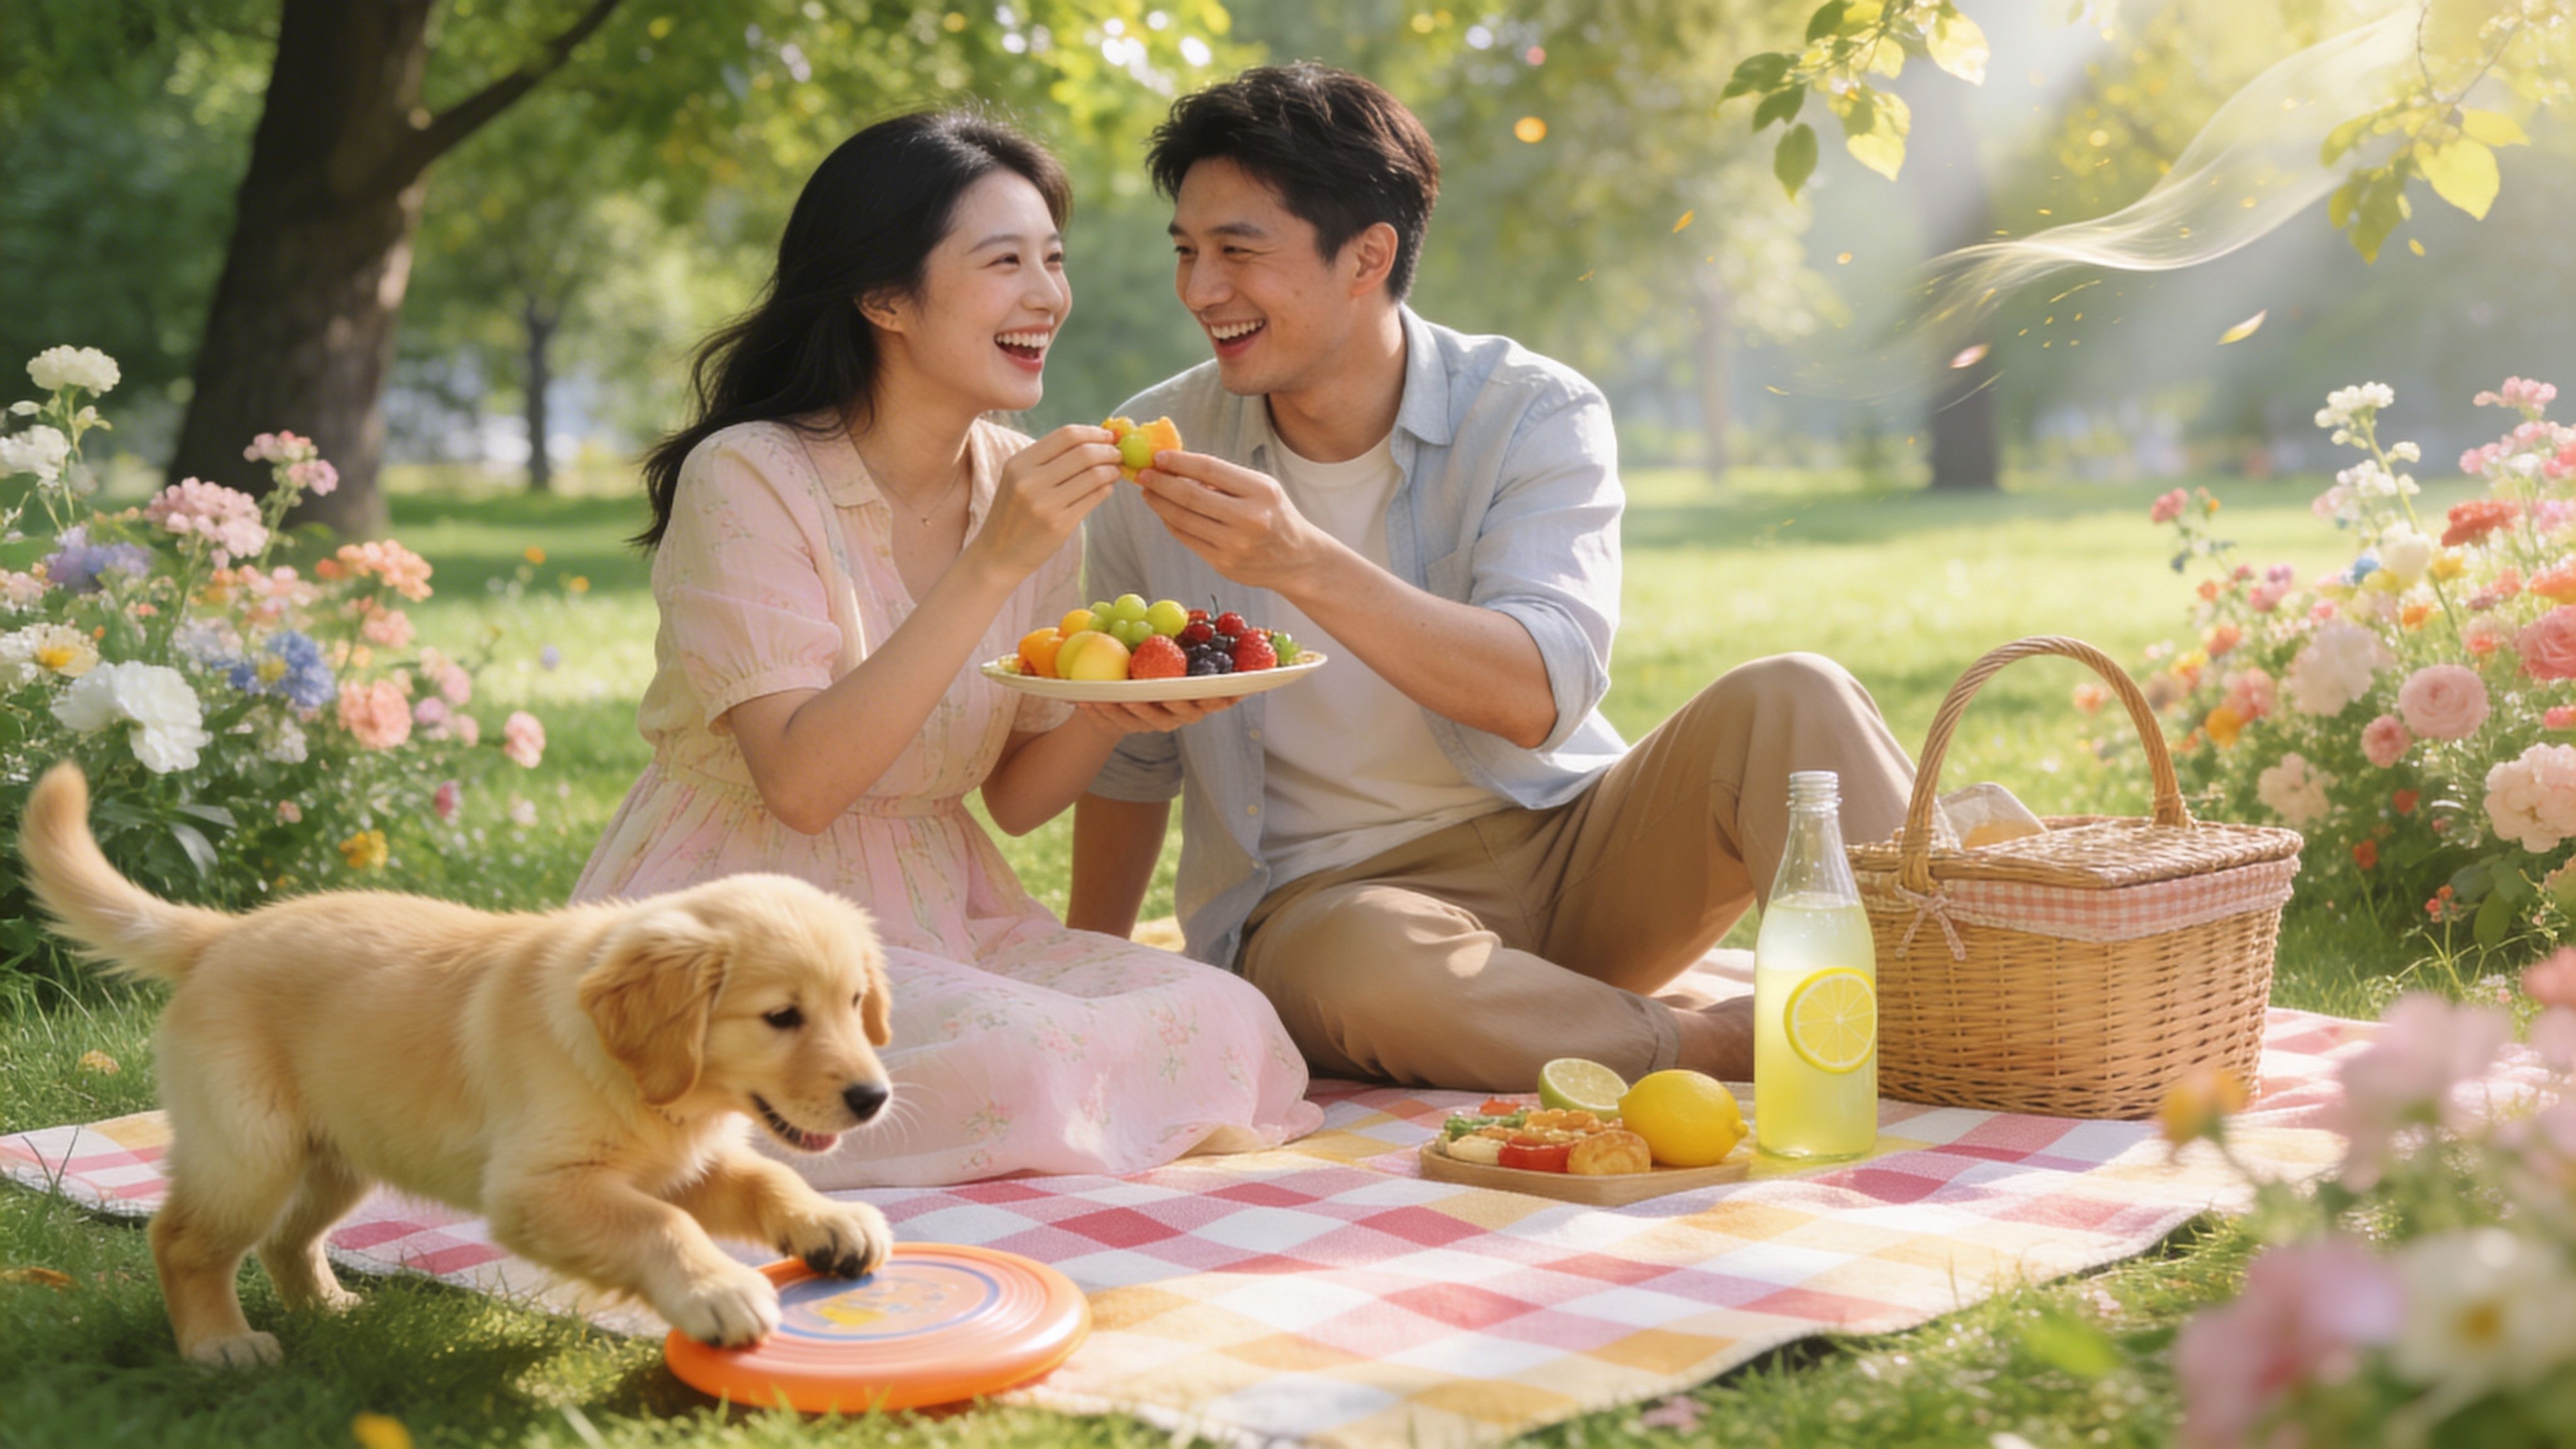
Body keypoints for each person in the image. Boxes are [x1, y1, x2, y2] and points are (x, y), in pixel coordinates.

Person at [1067, 65, 1918, 1092]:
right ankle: (1723, 1043)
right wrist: (1088, 988)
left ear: (1367, 257)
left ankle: (1956, 1004)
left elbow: (1538, 694)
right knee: (1374, 974)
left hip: (1568, 846)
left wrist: (1300, 561)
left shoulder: (1530, 411)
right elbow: (1126, 762)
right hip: (1333, 910)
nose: (1201, 290)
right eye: (1189, 252)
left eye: (1238, 251)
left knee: (1798, 696)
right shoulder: (1157, 453)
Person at [572, 110, 1320, 1188]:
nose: (1047, 296)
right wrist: (990, 566)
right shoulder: (750, 476)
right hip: (756, 921)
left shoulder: (1016, 481)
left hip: (941, 907)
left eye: (1053, 260)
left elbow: (1015, 799)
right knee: (1026, 1059)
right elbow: (804, 783)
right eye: (1004, 261)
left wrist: (1119, 709)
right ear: (884, 298)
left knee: (1226, 1014)